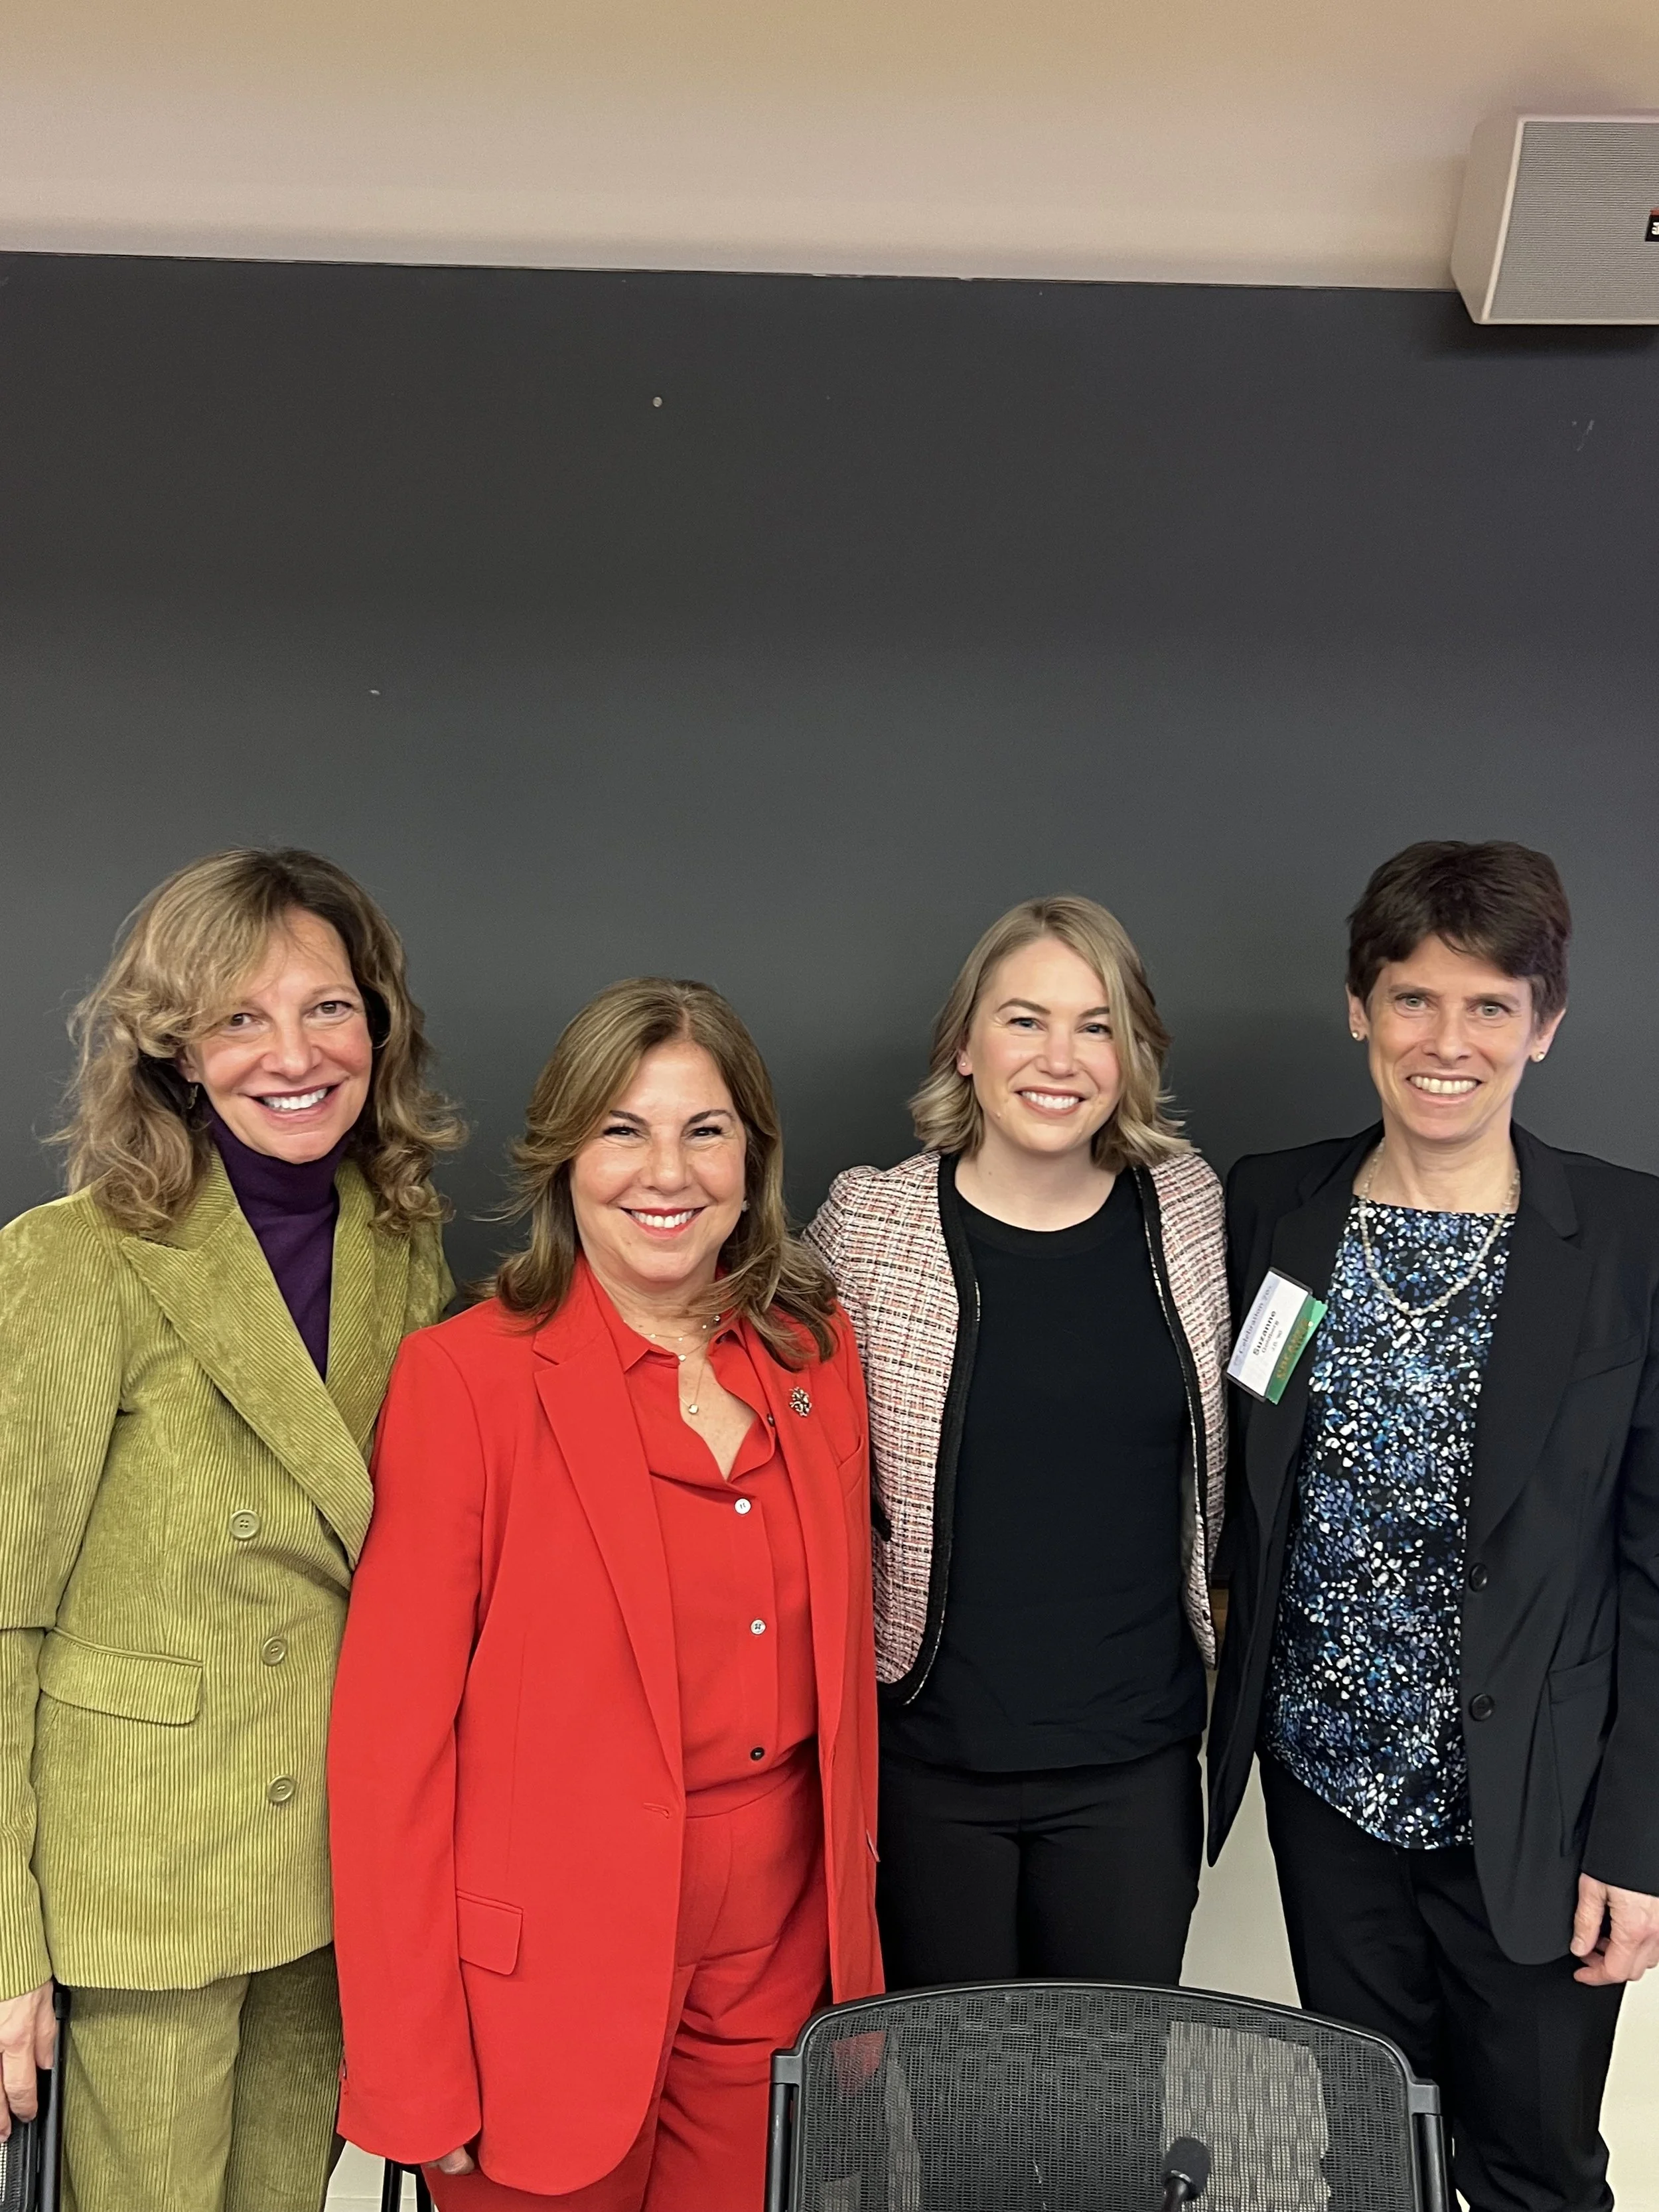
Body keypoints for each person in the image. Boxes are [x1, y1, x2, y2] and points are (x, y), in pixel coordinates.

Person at [327, 978, 882, 2211]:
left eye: (705, 1129)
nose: (666, 1172)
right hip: (544, 1992)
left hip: (782, 1967)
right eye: (622, 1130)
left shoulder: (816, 1353)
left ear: (754, 1159)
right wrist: (413, 2071)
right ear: (565, 1156)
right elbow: (388, 1758)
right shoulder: (465, 1381)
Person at [0, 847, 459, 2212]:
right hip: (141, 1885)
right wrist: (3, 1946)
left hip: (329, 1879)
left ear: (377, 1023)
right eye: (240, 1017)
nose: (294, 1052)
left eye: (328, 1006)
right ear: (176, 1051)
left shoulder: (402, 1241)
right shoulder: (72, 1261)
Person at [1208, 840, 1659, 2212]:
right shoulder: (1267, 1209)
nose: (1443, 1041)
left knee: (1533, 2167)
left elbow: (1652, 1567)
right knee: (1369, 2152)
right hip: (1325, 1786)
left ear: (1543, 1022)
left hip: (1533, 1807)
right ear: (1358, 1007)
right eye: (1410, 998)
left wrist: (1638, 1847)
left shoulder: (1629, 1240)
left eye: (1486, 1005)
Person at [808, 895, 1229, 1988]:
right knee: (950, 2117)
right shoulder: (869, 1225)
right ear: (964, 1044)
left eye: (1096, 1025)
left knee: (1108, 2114)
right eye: (1023, 1019)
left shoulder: (1191, 1213)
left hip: (1131, 1764)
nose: (1061, 1058)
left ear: (1132, 1053)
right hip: (927, 1759)